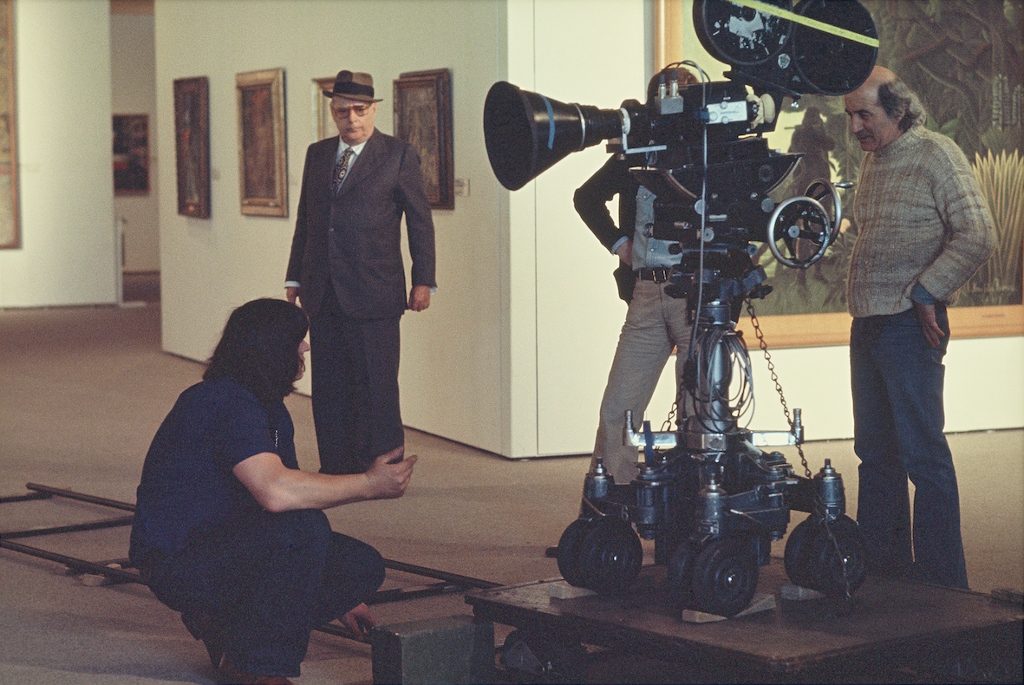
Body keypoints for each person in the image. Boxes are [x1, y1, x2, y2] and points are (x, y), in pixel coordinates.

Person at [129, 299, 417, 685]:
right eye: (298, 340)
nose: (306, 348)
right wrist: (369, 484)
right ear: (272, 349)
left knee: (358, 566)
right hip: (178, 559)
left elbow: (291, 496)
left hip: (227, 540)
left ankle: (228, 630)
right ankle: (258, 666)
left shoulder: (266, 407)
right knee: (303, 531)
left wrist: (342, 597)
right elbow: (275, 493)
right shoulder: (224, 402)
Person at [843, 66, 994, 589]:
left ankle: (941, 591)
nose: (856, 127)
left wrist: (928, 292)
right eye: (850, 116)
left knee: (924, 459)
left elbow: (978, 234)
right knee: (875, 457)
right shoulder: (876, 161)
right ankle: (884, 579)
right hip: (869, 324)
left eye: (866, 114)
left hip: (912, 325)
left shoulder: (936, 153)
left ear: (899, 109)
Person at [286, 70, 436, 475]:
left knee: (377, 384)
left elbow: (420, 222)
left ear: (372, 109)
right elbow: (307, 220)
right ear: (332, 113)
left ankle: (385, 464)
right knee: (330, 386)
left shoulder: (398, 155)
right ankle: (336, 465)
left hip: (375, 289)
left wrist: (424, 280)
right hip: (323, 289)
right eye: (341, 111)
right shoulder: (317, 155)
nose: (350, 119)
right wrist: (294, 277)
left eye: (358, 110)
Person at [573, 67, 699, 487]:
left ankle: (698, 511)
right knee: (619, 409)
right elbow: (586, 196)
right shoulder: (638, 148)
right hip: (645, 292)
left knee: (698, 412)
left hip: (695, 296)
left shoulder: (709, 151)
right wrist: (618, 243)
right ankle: (607, 512)